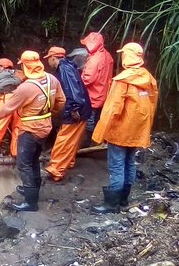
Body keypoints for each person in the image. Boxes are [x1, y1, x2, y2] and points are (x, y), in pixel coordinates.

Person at [0, 51, 65, 211]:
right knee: (34, 159)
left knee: (24, 164)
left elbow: (7, 108)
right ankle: (33, 188)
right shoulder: (52, 79)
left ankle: (30, 202)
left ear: (24, 65)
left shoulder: (25, 88)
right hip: (46, 125)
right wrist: (48, 113)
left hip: (30, 129)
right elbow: (61, 101)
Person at [90, 43, 158, 213]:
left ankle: (111, 205)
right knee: (129, 163)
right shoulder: (149, 79)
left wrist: (99, 133)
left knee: (117, 167)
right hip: (137, 131)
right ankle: (124, 201)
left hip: (120, 131)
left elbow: (112, 108)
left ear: (127, 56)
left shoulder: (122, 80)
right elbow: (151, 105)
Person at [43, 46, 92, 181]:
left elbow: (72, 89)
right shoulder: (69, 66)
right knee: (73, 138)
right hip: (83, 108)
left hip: (77, 109)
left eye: (49, 59)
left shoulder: (65, 69)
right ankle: (68, 162)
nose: (48, 62)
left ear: (53, 58)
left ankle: (56, 170)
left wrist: (73, 108)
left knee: (64, 139)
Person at [80, 32, 114, 147]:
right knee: (98, 119)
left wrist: (78, 80)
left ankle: (89, 142)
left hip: (93, 94)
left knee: (89, 119)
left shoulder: (95, 59)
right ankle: (98, 141)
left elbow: (87, 79)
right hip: (104, 93)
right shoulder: (108, 55)